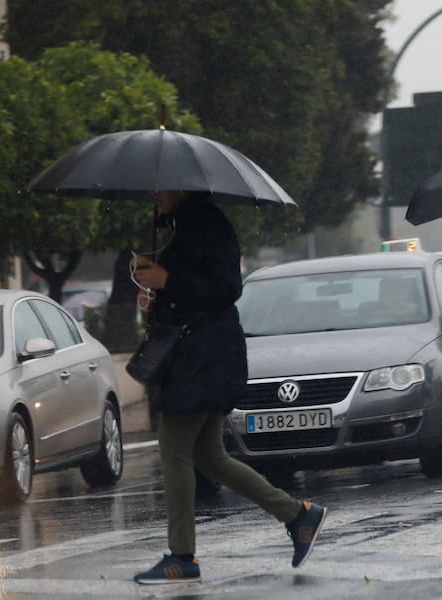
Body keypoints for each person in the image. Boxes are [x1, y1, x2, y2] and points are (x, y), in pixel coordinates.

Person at [130, 190, 327, 584]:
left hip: (204, 358)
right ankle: (297, 515)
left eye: (161, 188)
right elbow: (190, 297)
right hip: (199, 357)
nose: (155, 195)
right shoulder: (179, 226)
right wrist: (154, 299)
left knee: (173, 450)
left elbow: (225, 289)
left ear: (181, 186)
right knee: (209, 455)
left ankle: (182, 557)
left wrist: (167, 278)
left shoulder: (206, 222)